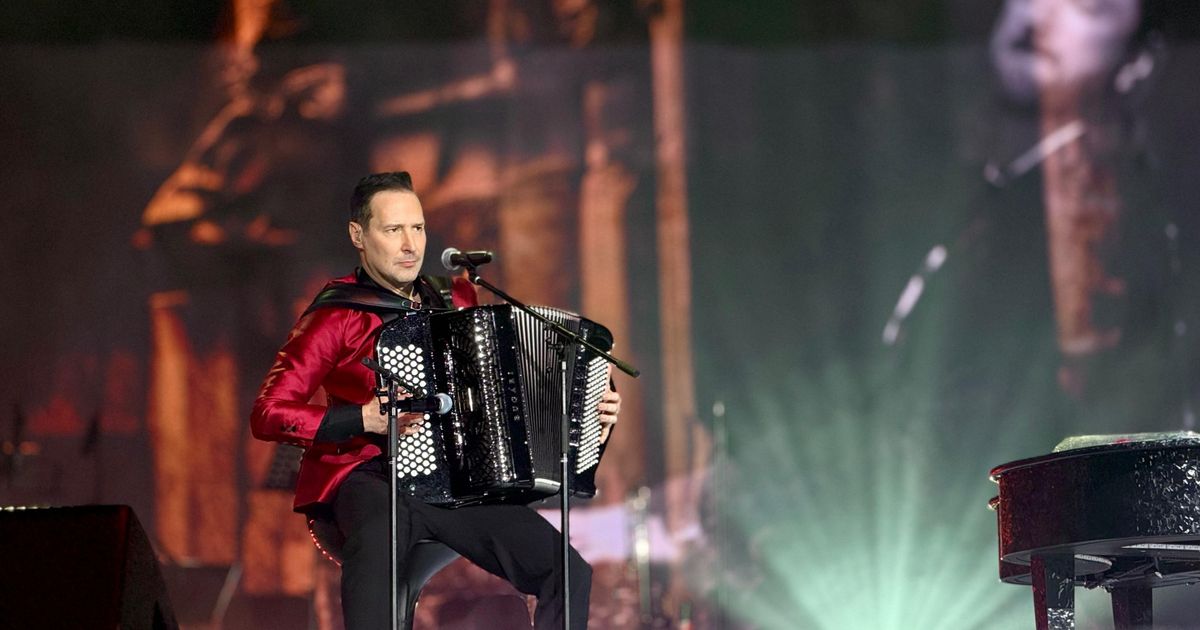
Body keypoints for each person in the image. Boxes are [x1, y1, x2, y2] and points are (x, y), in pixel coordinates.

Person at [250, 171, 621, 629]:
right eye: (393, 230)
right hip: (367, 476)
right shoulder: (335, 316)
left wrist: (586, 413)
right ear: (359, 236)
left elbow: (506, 388)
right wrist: (363, 418)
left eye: (418, 228)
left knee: (567, 572)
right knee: (377, 571)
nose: (410, 245)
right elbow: (268, 413)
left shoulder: (455, 298)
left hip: (456, 483)